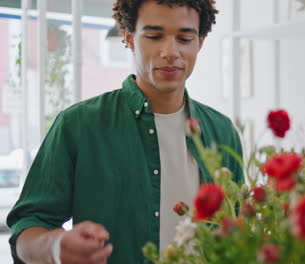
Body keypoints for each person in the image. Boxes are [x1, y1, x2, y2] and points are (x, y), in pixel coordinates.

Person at [7, 0, 243, 263]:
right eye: (154, 36)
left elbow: (235, 229)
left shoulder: (222, 132)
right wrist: (53, 246)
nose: (170, 51)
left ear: (200, 42)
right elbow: (27, 227)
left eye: (184, 38)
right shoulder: (79, 125)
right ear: (129, 38)